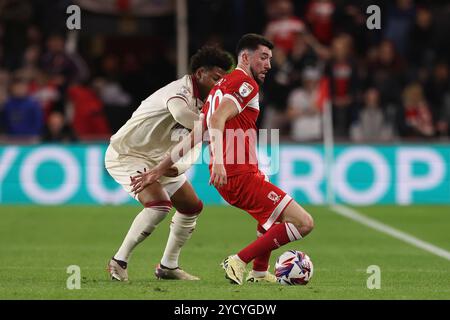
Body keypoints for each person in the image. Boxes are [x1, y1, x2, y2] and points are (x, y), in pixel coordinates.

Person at [131, 34, 314, 285]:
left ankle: (259, 273)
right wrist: (218, 162)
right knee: (303, 223)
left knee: (269, 218)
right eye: (263, 57)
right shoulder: (245, 84)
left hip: (234, 174)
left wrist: (157, 169)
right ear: (246, 57)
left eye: (270, 59)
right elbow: (216, 120)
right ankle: (238, 260)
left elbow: (197, 133)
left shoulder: (220, 87)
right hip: (237, 172)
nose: (268, 65)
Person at [105, 46, 233, 281]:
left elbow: (195, 144)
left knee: (191, 207)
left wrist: (179, 167)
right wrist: (214, 125)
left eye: (224, 79)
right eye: (216, 78)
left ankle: (168, 266)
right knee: (158, 205)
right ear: (200, 74)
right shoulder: (179, 91)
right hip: (128, 153)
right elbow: (181, 115)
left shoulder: (209, 105)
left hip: (161, 159)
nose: (220, 84)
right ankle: (118, 261)